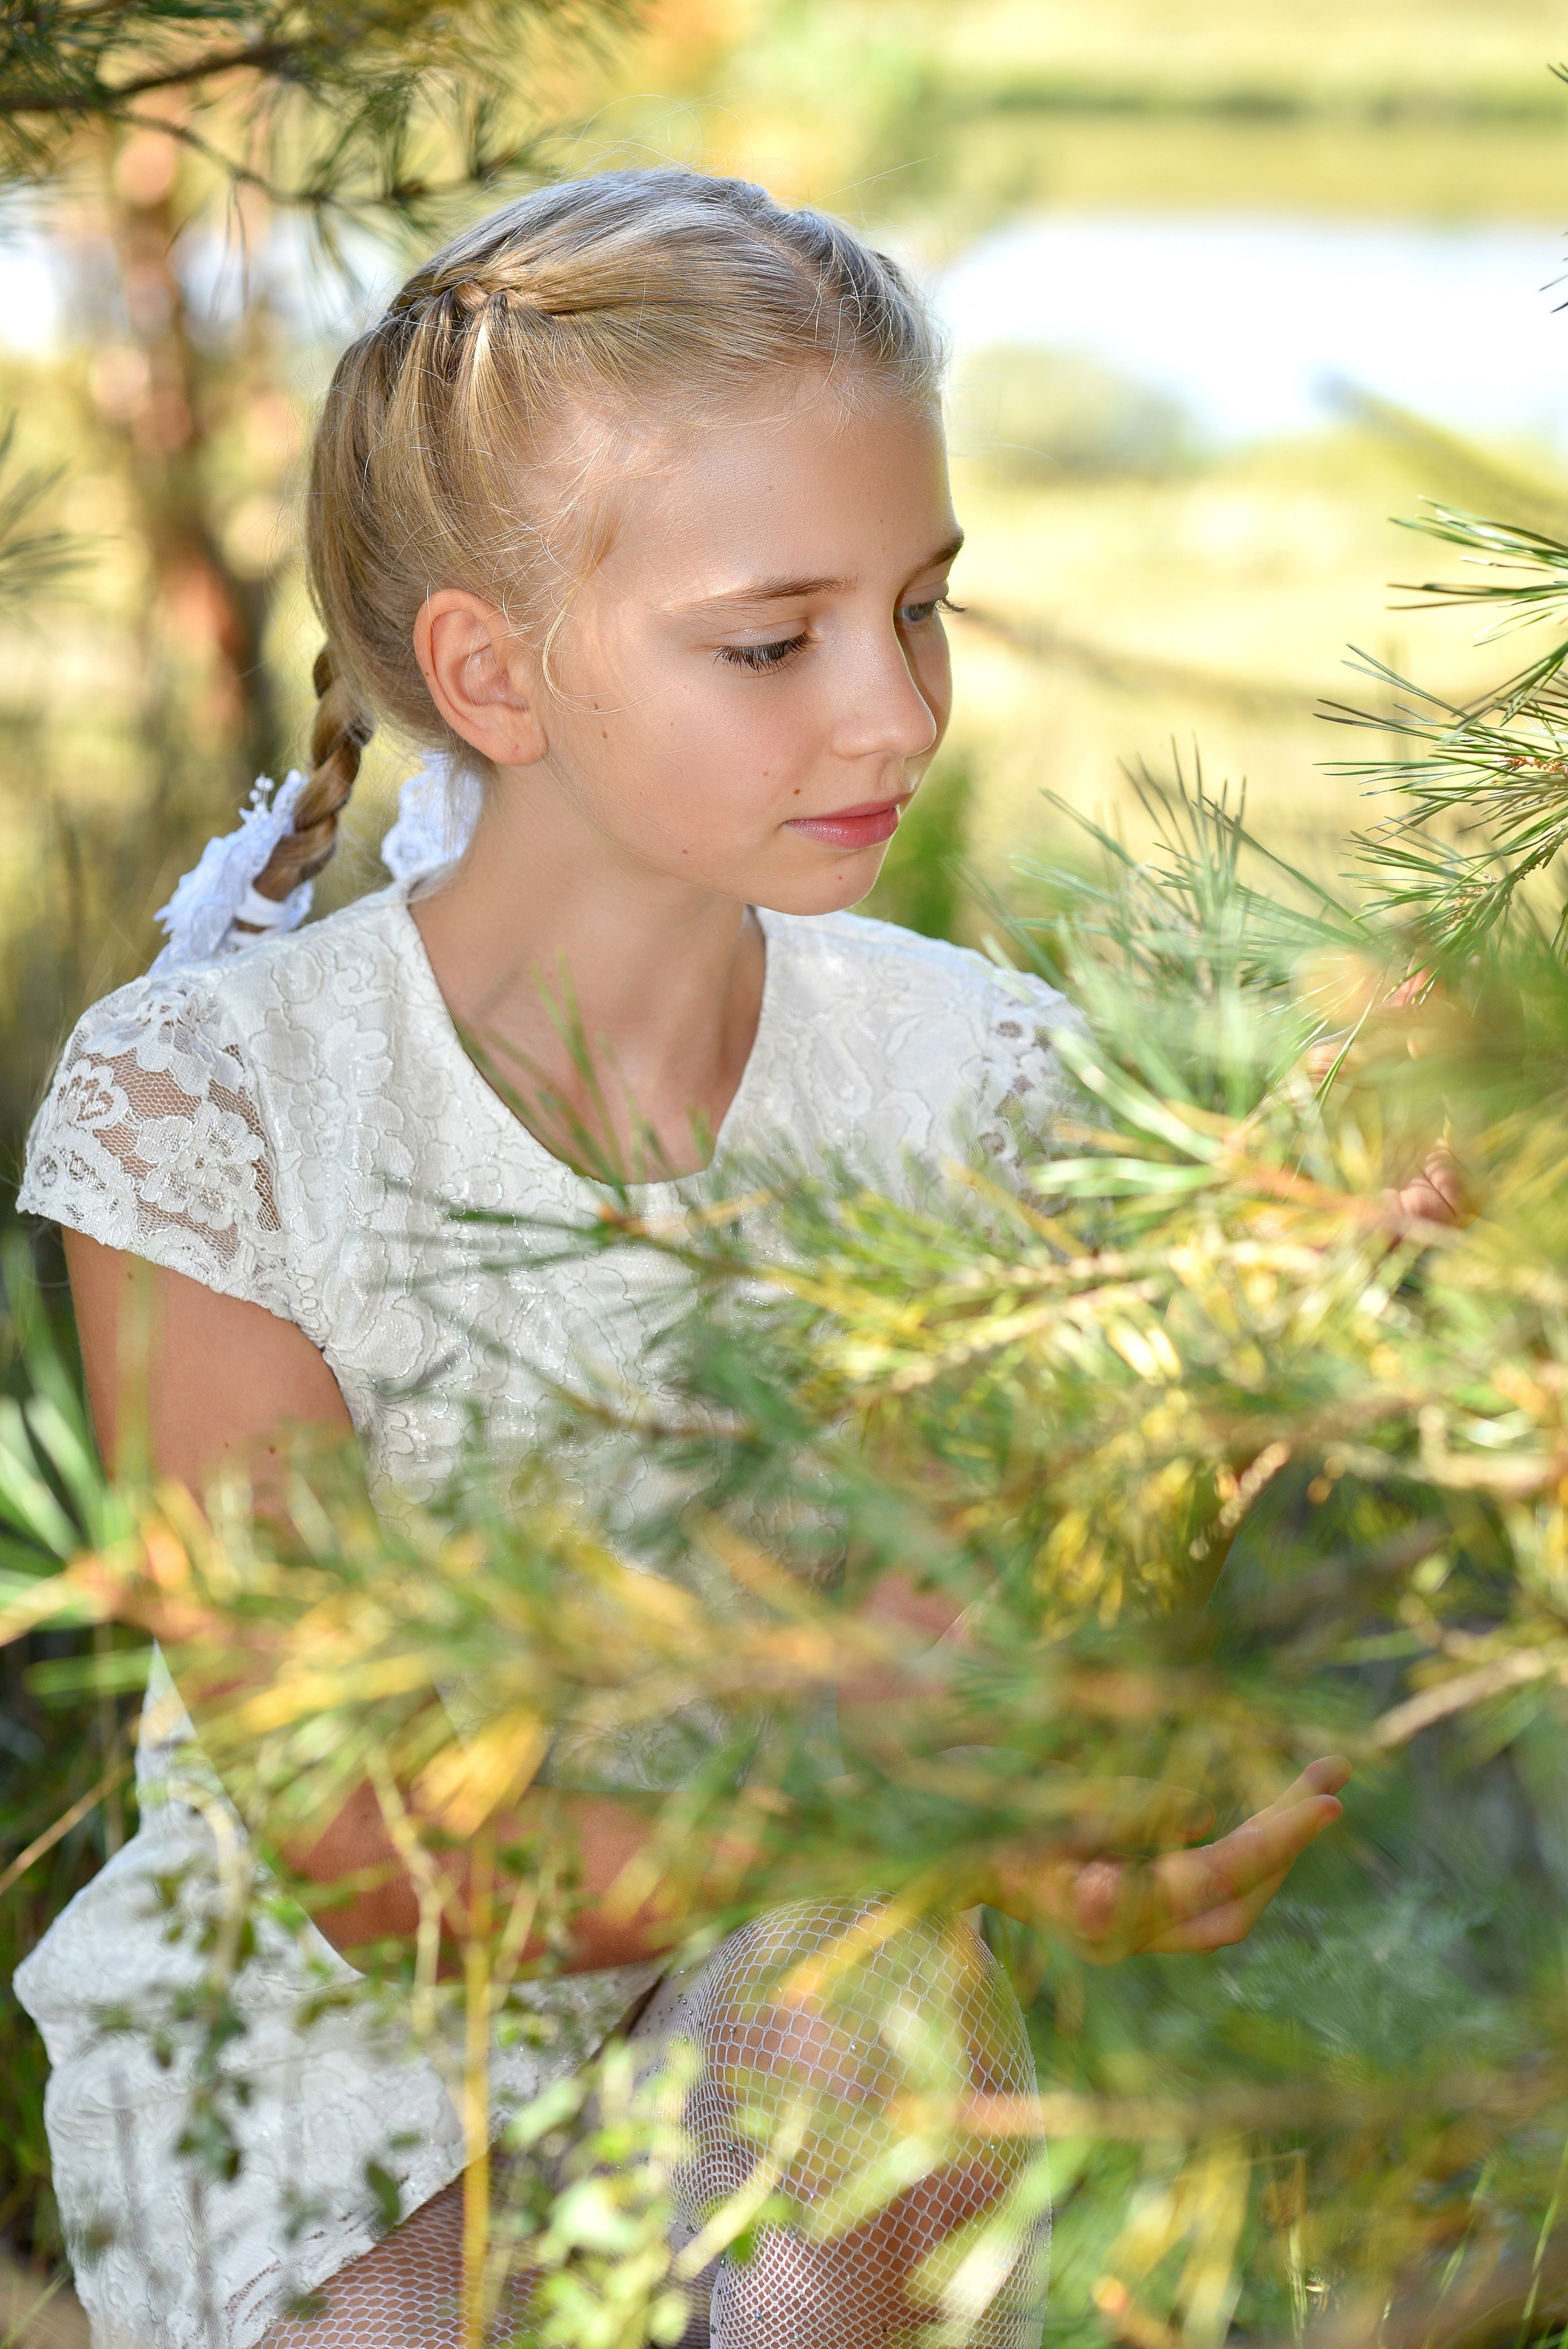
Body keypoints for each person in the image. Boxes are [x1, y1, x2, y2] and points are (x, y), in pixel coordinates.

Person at [13, 170, 1349, 2349]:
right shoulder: (216, 1106)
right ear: (489, 670)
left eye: (923, 609)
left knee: (851, 1987)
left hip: (803, 1991)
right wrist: (933, 1785)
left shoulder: (987, 1079)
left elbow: (1044, 1615)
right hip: (343, 2082)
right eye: (773, 639)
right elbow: (367, 1861)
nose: (897, 716)